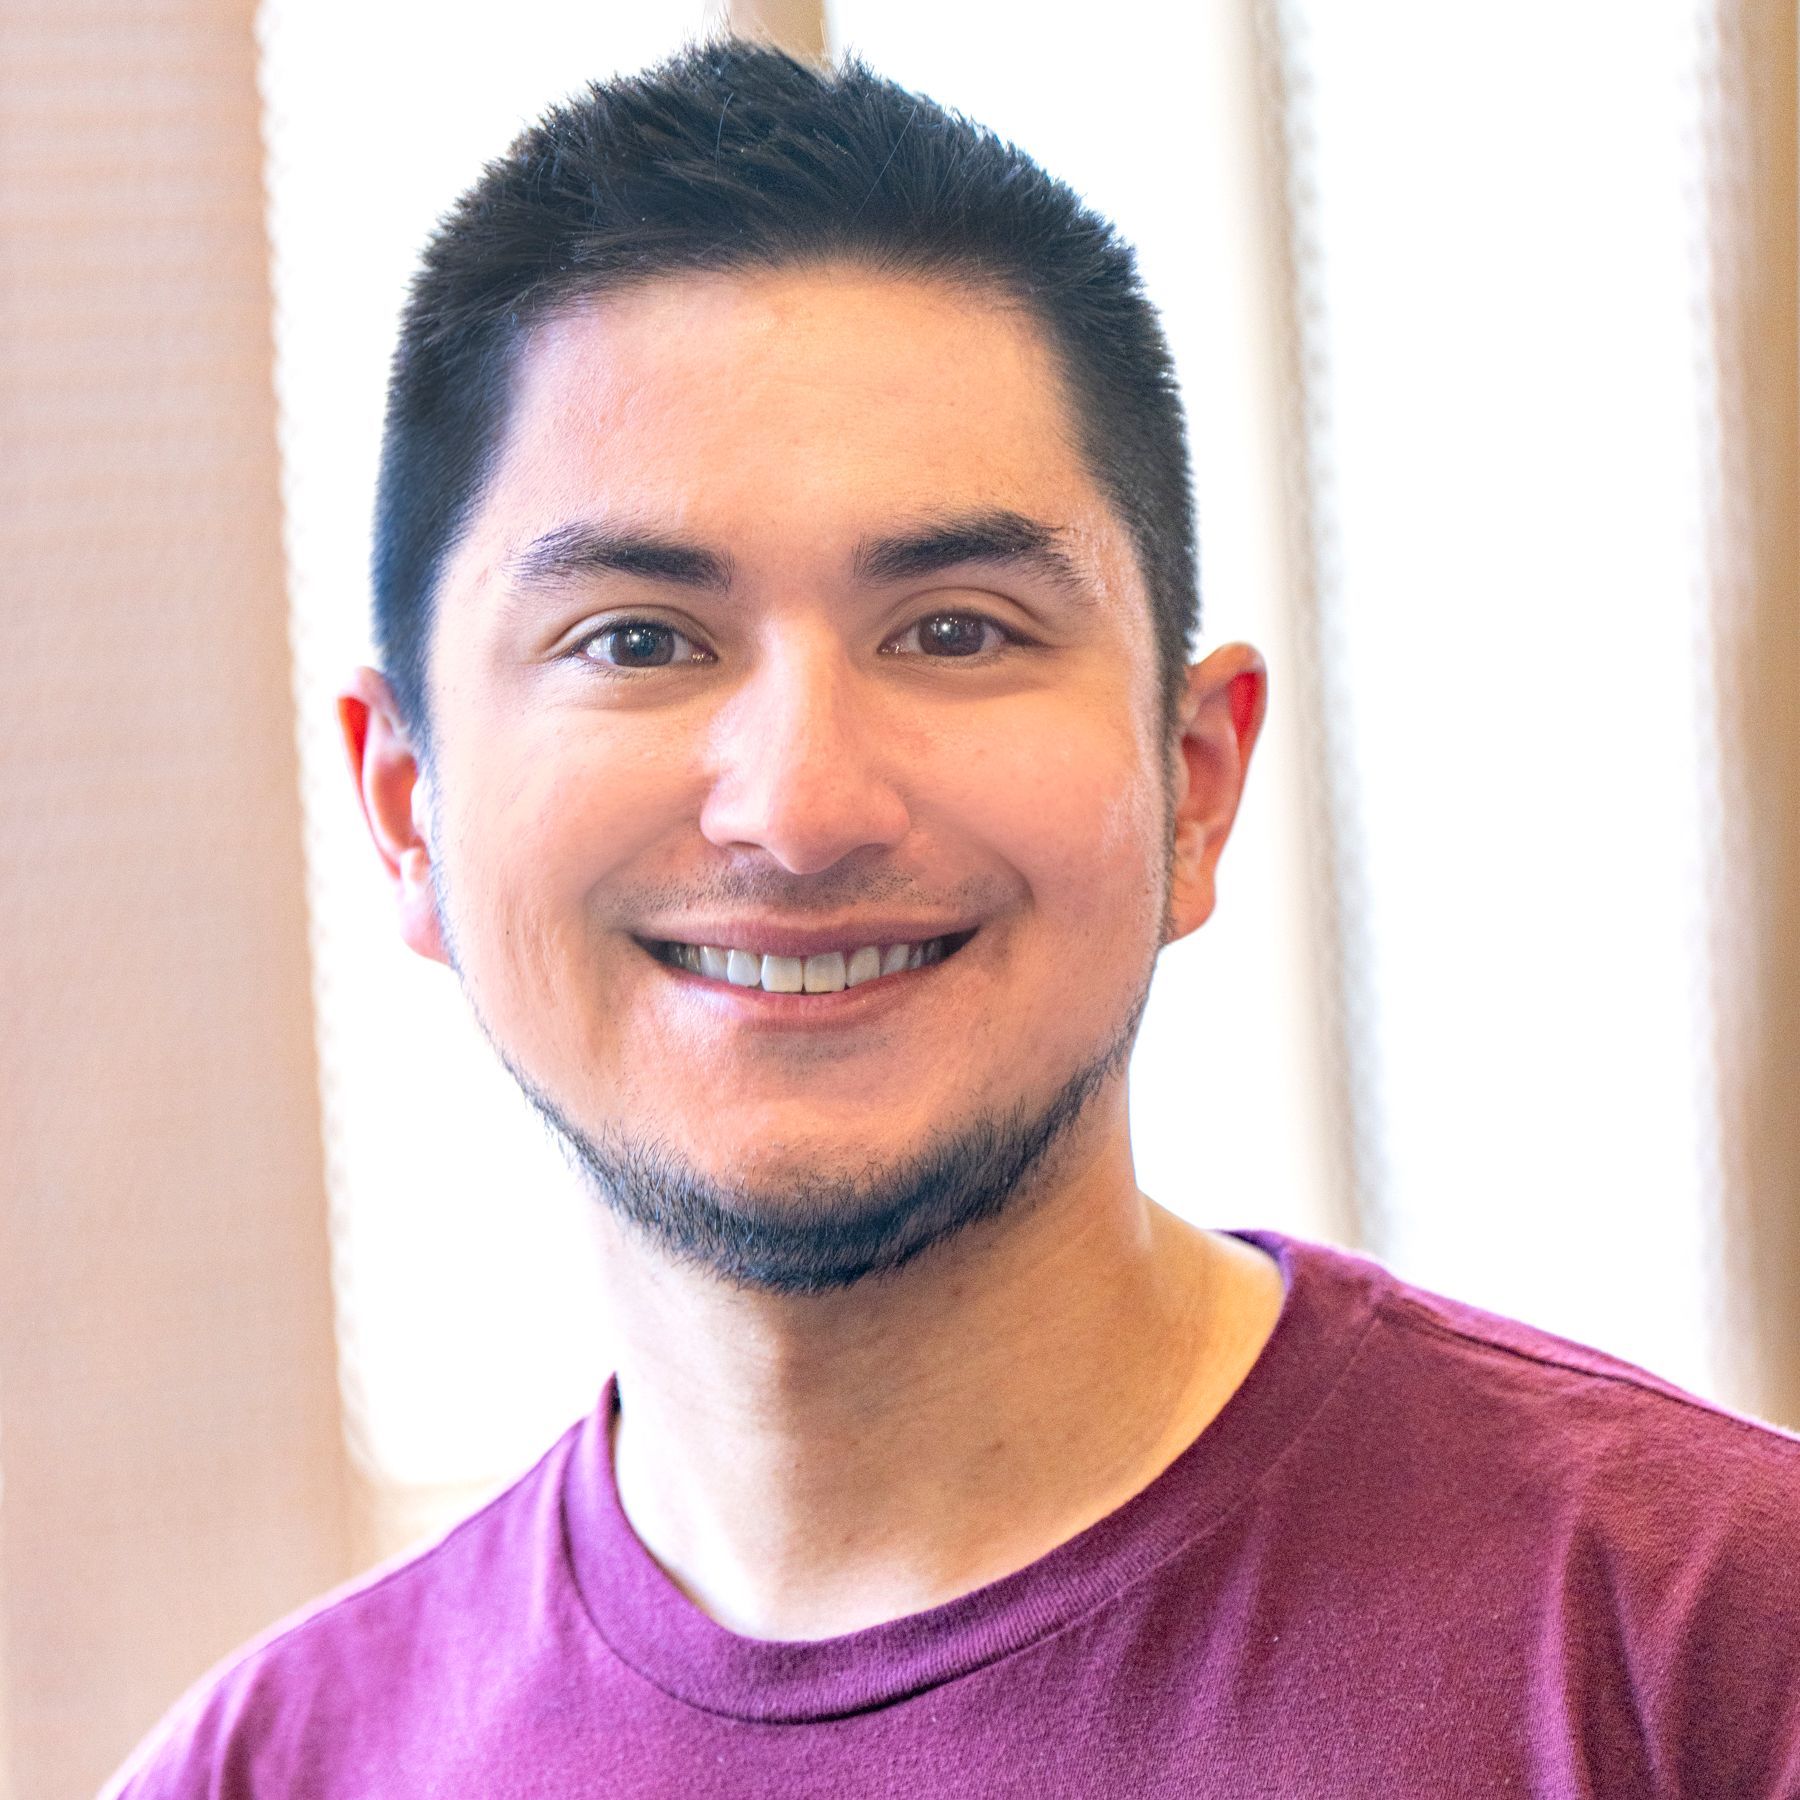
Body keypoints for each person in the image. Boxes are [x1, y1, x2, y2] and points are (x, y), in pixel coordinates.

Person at [106, 39, 1800, 1799]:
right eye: (637, 640)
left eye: (956, 629)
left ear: (1198, 780)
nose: (801, 806)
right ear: (406, 804)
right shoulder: (266, 1772)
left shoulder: (1710, 1662)